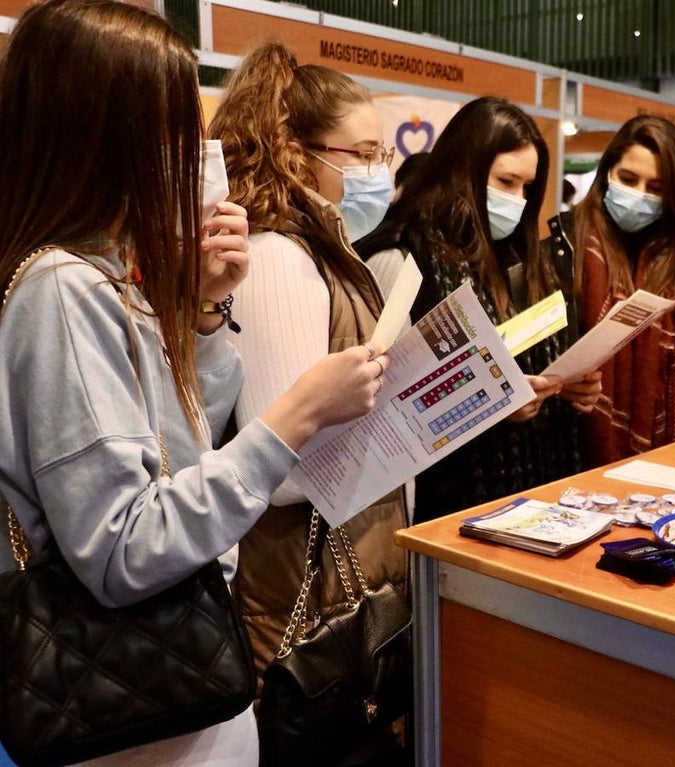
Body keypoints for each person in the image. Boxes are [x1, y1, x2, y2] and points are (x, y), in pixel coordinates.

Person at [0, 2, 392, 764]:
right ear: (106, 137)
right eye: (173, 131)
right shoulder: (62, 286)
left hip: (171, 699)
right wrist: (295, 417)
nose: (192, 155)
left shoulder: (102, 277)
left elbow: (180, 449)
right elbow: (124, 550)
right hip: (134, 707)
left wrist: (205, 314)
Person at [207, 40, 410, 735]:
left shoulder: (323, 248)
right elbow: (280, 470)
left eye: (383, 154)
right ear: (297, 150)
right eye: (362, 154)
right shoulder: (278, 259)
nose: (378, 172)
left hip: (339, 570)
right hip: (300, 583)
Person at [355, 97, 602, 523]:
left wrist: (570, 387)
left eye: (528, 187)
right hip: (447, 508)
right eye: (506, 182)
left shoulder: (523, 258)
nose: (518, 200)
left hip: (536, 498)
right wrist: (489, 405)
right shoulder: (405, 256)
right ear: (462, 170)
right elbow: (377, 407)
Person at [550, 115, 675, 468]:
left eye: (656, 188)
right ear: (607, 173)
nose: (639, 195)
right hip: (573, 453)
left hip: (669, 464)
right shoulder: (564, 246)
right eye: (628, 179)